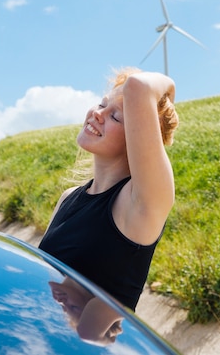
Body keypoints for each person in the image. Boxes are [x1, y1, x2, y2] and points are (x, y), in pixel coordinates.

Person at [38, 67, 179, 311]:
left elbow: (140, 87)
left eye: (115, 116)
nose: (98, 114)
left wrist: (169, 89)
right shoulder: (68, 198)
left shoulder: (139, 205)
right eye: (102, 104)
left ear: (137, 137)